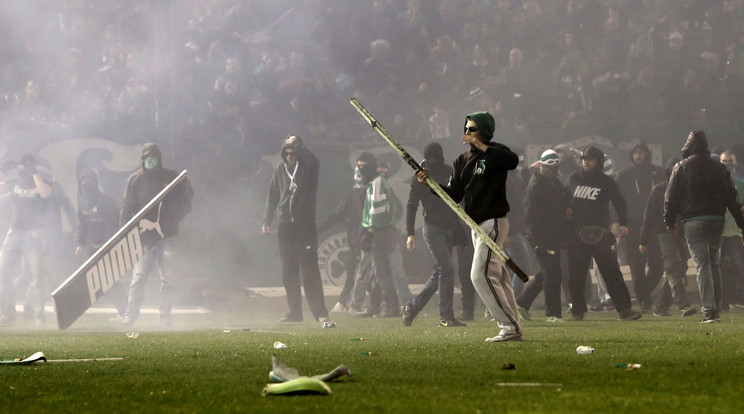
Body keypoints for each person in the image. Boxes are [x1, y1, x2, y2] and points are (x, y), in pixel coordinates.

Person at [416, 111, 523, 342]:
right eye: (465, 129)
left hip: (493, 220)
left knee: (479, 276)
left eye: (472, 129)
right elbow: (454, 194)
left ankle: (508, 326)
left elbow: (512, 162)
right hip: (474, 224)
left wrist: (482, 146)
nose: (467, 133)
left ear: (484, 131)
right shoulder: (461, 160)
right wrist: (431, 184)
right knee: (498, 277)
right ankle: (513, 325)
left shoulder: (495, 152)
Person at [664, 131, 744, 323]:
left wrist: (669, 220)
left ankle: (709, 310)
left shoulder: (680, 167)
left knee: (702, 264)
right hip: (716, 221)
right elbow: (731, 198)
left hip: (693, 221)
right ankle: (716, 307)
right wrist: (742, 224)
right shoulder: (719, 167)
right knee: (714, 263)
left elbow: (671, 196)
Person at [565, 145, 642, 322]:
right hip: (577, 234)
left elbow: (620, 203)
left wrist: (623, 223)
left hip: (601, 232)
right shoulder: (573, 178)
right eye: (584, 159)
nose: (586, 162)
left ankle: (624, 310)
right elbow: (563, 196)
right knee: (576, 274)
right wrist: (566, 206)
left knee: (611, 272)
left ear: (598, 161)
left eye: (590, 159)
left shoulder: (606, 182)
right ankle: (577, 311)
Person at [120, 143, 193, 327]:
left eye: (154, 158)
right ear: (142, 160)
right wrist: (125, 232)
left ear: (159, 159)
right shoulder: (134, 180)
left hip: (167, 236)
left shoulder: (171, 177)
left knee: (167, 278)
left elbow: (186, 201)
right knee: (138, 276)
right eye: (147, 158)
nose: (151, 161)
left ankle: (165, 315)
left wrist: (173, 219)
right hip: (144, 239)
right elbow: (126, 208)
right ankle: (131, 315)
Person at [262, 135, 331, 325]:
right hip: (285, 226)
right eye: (287, 153)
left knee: (309, 269)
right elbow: (272, 196)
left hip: (305, 224)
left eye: (294, 153)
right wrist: (267, 219)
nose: (291, 156)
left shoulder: (308, 169)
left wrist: (298, 143)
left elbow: (313, 160)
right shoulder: (280, 170)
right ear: (283, 154)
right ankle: (295, 312)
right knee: (289, 270)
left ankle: (320, 314)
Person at [402, 143, 467, 327]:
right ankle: (446, 316)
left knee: (440, 272)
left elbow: (457, 195)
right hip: (432, 228)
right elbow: (412, 205)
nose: (436, 161)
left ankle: (413, 307)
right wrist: (410, 233)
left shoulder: (448, 171)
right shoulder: (421, 176)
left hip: (448, 228)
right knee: (447, 269)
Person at [516, 149, 571, 322]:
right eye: (548, 168)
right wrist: (537, 241)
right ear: (542, 167)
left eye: (554, 169)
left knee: (548, 273)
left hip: (553, 236)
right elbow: (530, 217)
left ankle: (521, 303)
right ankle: (552, 314)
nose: (551, 172)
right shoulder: (535, 187)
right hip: (541, 238)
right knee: (552, 274)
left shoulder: (555, 184)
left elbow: (562, 201)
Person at [639, 158, 696, 317]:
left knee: (678, 268)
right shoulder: (658, 190)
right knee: (673, 266)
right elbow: (648, 216)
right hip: (664, 233)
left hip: (683, 234)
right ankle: (683, 304)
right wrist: (643, 240)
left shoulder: (688, 191)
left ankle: (661, 305)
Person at [0, 155, 52, 326]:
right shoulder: (15, 180)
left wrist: (34, 174)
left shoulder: (42, 177)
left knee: (36, 277)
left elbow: (46, 193)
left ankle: (39, 316)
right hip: (15, 232)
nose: (22, 169)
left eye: (25, 166)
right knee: (3, 273)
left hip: (33, 235)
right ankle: (9, 313)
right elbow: (2, 187)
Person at [349, 152, 401, 318]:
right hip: (380, 231)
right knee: (375, 272)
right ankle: (374, 307)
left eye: (365, 166)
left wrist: (371, 232)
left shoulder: (377, 183)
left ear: (371, 166)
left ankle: (392, 307)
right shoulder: (374, 183)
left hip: (381, 231)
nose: (361, 170)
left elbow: (378, 212)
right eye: (359, 166)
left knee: (381, 272)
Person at [615, 140, 664, 313]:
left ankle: (643, 293)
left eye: (641, 152)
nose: (638, 156)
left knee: (658, 265)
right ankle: (644, 301)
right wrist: (619, 222)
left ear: (647, 153)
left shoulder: (658, 173)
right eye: (635, 152)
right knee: (636, 266)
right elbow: (617, 201)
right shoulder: (624, 175)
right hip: (632, 227)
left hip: (655, 226)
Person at [75, 169, 128, 320]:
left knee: (109, 279)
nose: (86, 184)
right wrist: (80, 243)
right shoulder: (82, 203)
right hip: (92, 245)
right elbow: (83, 225)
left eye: (89, 180)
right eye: (83, 181)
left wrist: (111, 244)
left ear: (95, 182)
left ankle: (124, 310)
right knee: (98, 280)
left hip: (108, 244)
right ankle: (123, 309)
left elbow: (115, 222)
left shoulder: (105, 200)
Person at [317, 162, 368, 313]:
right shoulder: (353, 195)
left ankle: (347, 302)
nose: (359, 176)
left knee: (364, 272)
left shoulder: (368, 193)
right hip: (360, 239)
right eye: (357, 173)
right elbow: (338, 215)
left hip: (364, 238)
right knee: (361, 271)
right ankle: (348, 302)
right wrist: (320, 228)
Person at [718, 149, 744, 309]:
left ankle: (739, 298)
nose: (727, 164)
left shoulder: (741, 184)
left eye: (730, 161)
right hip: (717, 233)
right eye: (724, 161)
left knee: (740, 267)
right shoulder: (712, 184)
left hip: (735, 232)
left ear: (736, 163)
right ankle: (719, 301)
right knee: (716, 269)